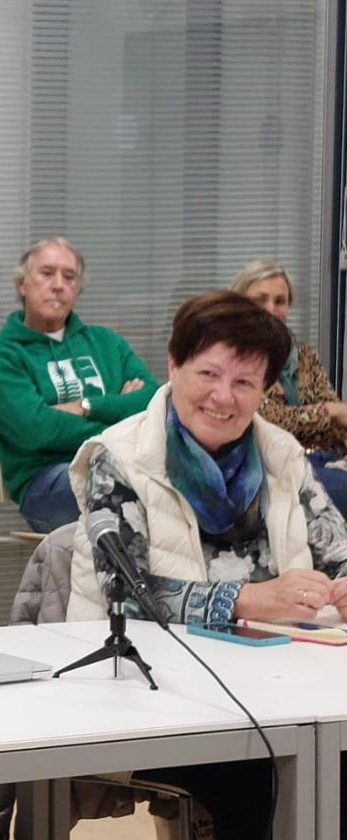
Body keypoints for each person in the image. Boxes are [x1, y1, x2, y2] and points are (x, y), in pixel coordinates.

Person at [67, 290, 347, 839]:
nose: (224, 397)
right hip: (154, 695)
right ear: (173, 366)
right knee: (260, 778)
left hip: (278, 687)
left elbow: (336, 548)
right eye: (208, 374)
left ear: (265, 391)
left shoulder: (281, 454)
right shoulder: (118, 456)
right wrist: (247, 599)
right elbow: (126, 595)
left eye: (244, 383)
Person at [0, 237, 159, 533]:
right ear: (22, 284)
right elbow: (39, 430)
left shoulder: (107, 343)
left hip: (123, 466)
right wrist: (122, 418)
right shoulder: (2, 358)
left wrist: (88, 406)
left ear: (77, 290)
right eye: (47, 273)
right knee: (127, 490)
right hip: (47, 483)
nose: (58, 284)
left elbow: (152, 399)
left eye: (69, 276)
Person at [231, 258, 347, 516]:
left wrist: (331, 415)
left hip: (326, 459)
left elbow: (339, 423)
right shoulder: (231, 357)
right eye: (260, 299)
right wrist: (329, 412)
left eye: (280, 301)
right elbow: (264, 419)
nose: (271, 309)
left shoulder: (302, 354)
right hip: (272, 468)